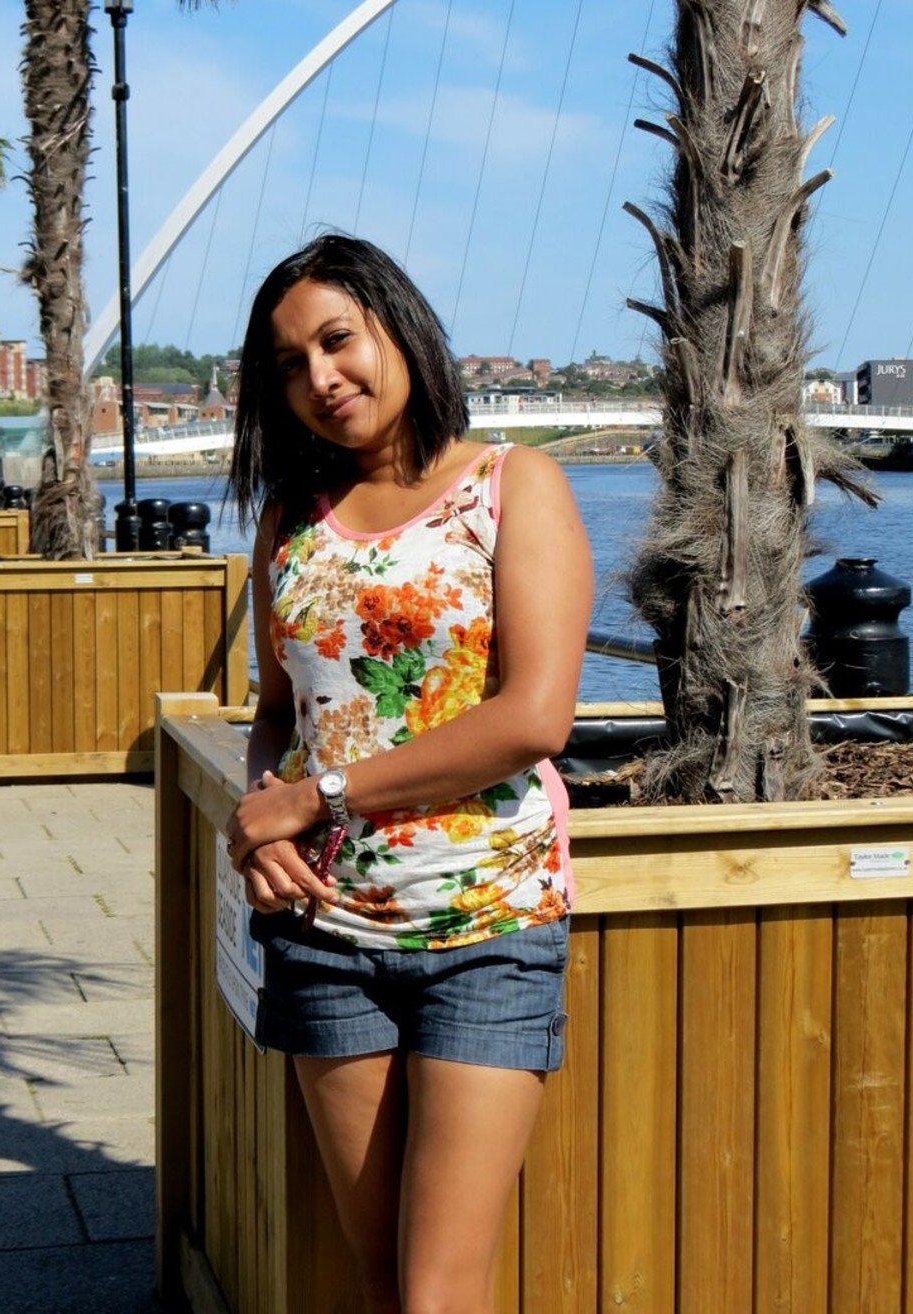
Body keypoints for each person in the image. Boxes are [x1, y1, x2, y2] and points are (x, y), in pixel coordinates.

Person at [224, 234, 593, 1314]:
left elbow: (535, 716)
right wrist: (265, 815)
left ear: (399, 324)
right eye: (290, 365)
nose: (321, 377)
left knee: (437, 1293)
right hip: (326, 939)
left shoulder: (513, 486)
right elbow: (280, 715)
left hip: (488, 927)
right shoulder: (290, 522)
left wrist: (317, 797)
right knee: (382, 1282)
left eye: (338, 340)